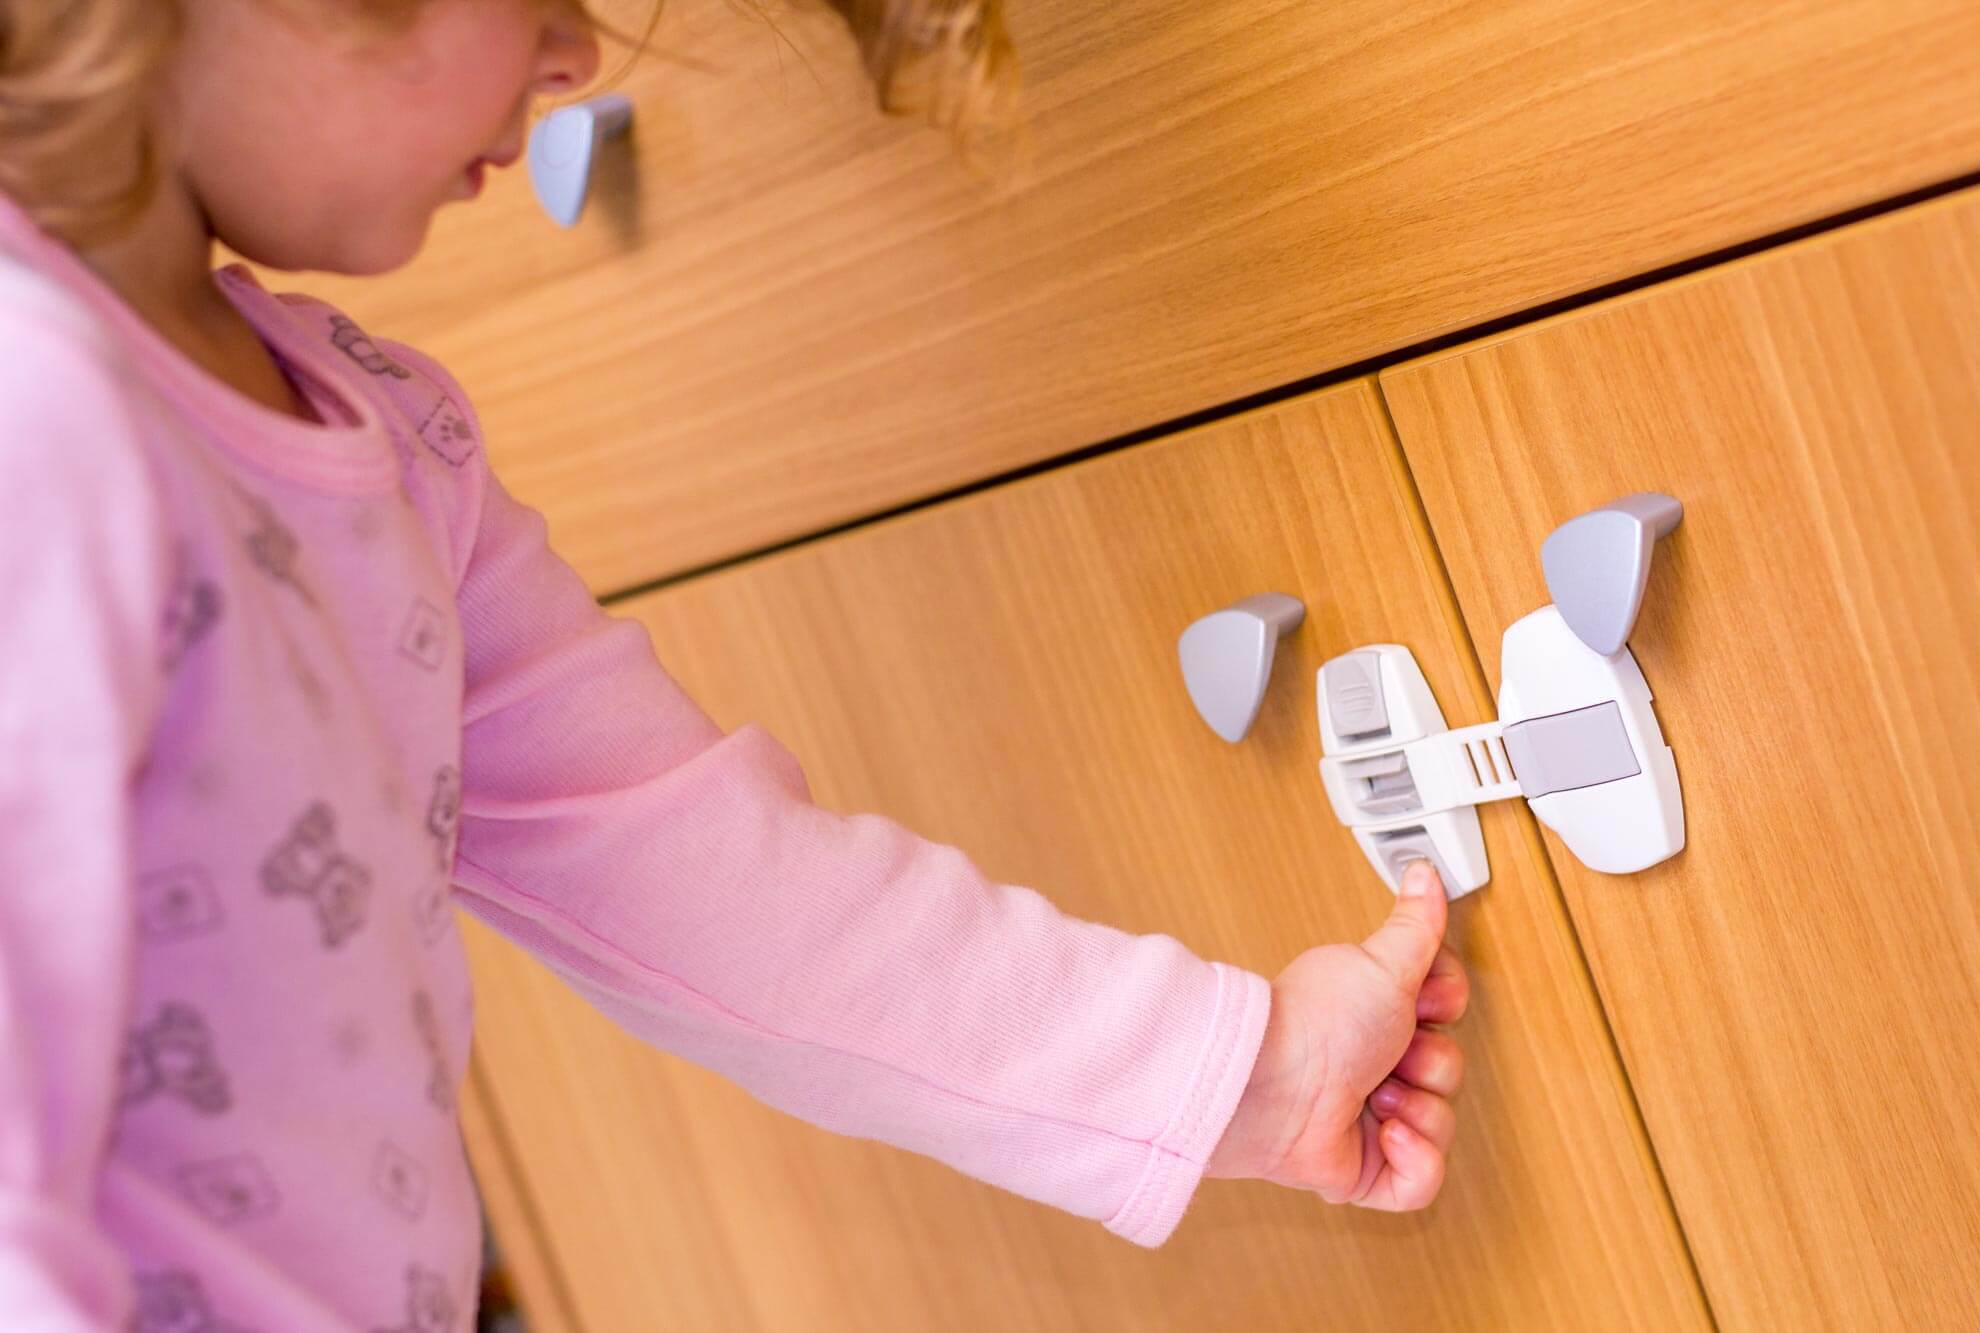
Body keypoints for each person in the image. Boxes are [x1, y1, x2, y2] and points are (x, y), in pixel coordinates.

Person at [0, 2, 1469, 1328]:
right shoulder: (35, 422)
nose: (573, 55)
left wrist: (1246, 1076)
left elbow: (706, 880)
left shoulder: (385, 443)